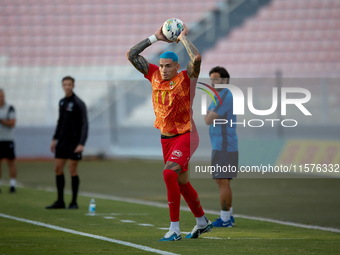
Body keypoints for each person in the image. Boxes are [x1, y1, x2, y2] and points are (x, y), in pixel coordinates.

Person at [126, 24, 213, 241]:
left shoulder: (186, 79)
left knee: (168, 174)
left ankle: (174, 229)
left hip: (187, 135)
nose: (163, 69)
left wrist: (183, 38)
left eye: (168, 66)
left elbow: (198, 59)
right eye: (162, 65)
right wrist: (155, 38)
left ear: (177, 67)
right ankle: (202, 222)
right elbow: (131, 54)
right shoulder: (153, 74)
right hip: (166, 138)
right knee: (181, 181)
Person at [46, 76, 88, 210]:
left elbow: (85, 124)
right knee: (57, 168)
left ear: (73, 86)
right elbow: (60, 121)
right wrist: (54, 139)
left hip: (74, 141)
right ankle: (60, 201)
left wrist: (81, 143)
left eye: (69, 84)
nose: (67, 87)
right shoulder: (62, 102)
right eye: (65, 85)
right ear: (62, 86)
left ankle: (74, 202)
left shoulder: (79, 103)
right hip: (62, 141)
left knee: (72, 169)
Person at [204, 66, 238, 227]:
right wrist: (209, 114)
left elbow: (208, 119)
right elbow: (208, 116)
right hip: (220, 145)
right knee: (221, 180)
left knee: (223, 181)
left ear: (224, 80)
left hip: (224, 146)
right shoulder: (218, 95)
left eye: (216, 79)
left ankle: (225, 219)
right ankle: (228, 216)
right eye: (211, 79)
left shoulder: (225, 96)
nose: (212, 82)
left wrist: (209, 114)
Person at [0, 89, 17, 193]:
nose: (1, 98)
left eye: (2, 96)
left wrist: (1, 121)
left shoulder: (9, 108)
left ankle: (12, 185)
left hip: (8, 140)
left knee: (11, 162)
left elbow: (12, 123)